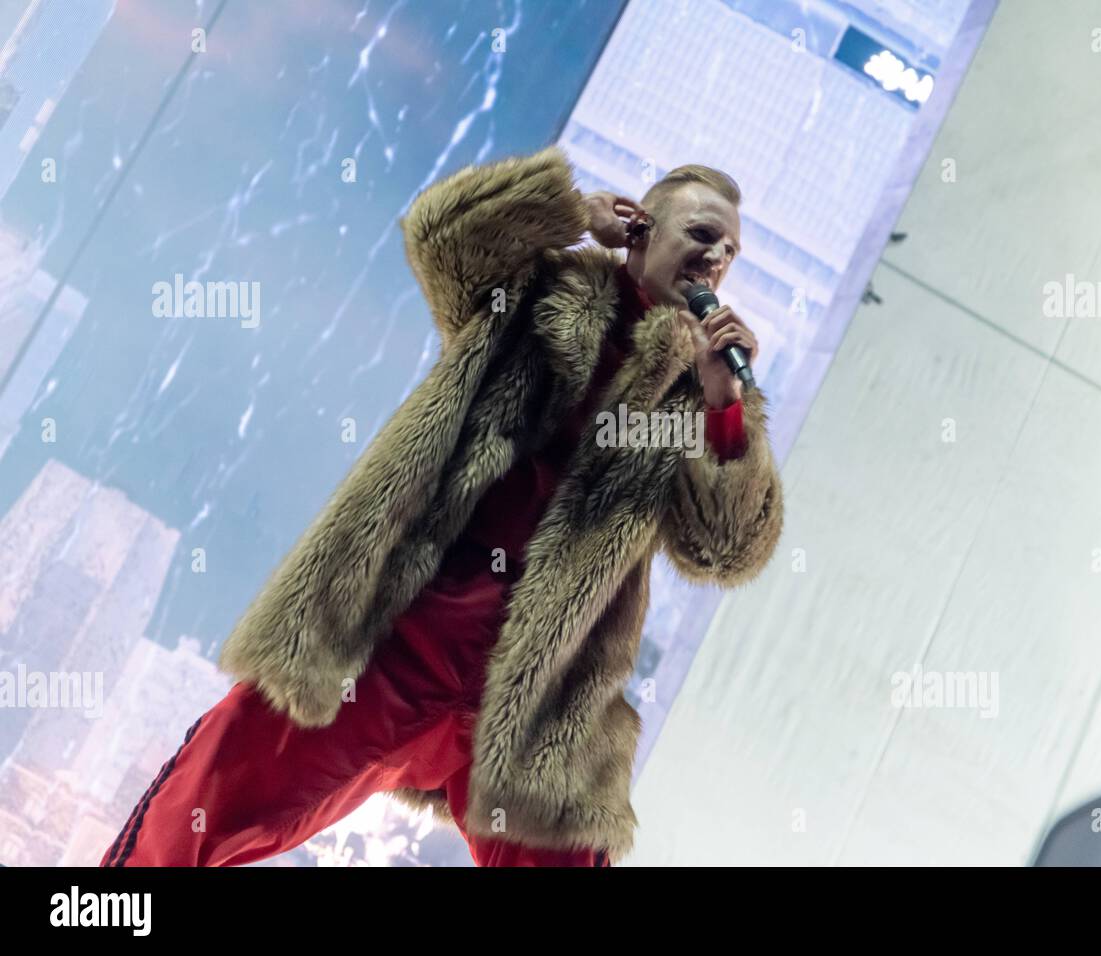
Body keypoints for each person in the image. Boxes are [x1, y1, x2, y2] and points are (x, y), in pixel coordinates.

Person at [101, 145, 783, 867]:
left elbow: (727, 548)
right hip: (400, 638)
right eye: (703, 234)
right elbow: (441, 237)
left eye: (730, 251)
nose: (717, 258)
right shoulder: (534, 294)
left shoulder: (695, 398)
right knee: (205, 801)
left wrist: (725, 408)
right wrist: (570, 213)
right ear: (641, 227)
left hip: (539, 706)